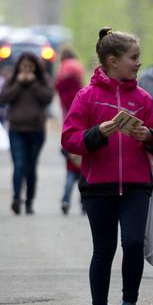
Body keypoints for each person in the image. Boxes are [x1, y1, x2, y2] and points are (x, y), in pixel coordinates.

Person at [62, 27, 153, 305]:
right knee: (103, 249)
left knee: (133, 243)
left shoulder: (142, 99)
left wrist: (149, 136)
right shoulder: (87, 97)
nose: (138, 64)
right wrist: (98, 134)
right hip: (98, 186)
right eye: (133, 58)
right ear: (111, 60)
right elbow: (69, 139)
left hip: (136, 185)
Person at [0, 53, 55, 215]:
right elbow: (3, 98)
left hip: (36, 130)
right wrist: (19, 84)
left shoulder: (42, 80)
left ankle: (29, 201)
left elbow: (48, 98)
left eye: (30, 67)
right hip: (17, 129)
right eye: (24, 66)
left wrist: (33, 84)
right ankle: (17, 198)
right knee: (19, 165)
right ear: (19, 66)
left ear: (35, 68)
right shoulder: (12, 80)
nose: (27, 70)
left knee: (31, 168)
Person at [54, 47, 86, 215]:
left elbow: (57, 86)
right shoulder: (78, 68)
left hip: (67, 116)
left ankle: (66, 201)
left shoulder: (63, 68)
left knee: (69, 180)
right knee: (83, 179)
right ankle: (83, 205)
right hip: (81, 150)